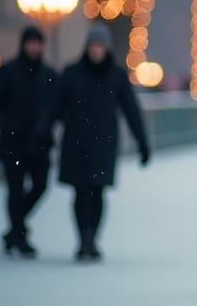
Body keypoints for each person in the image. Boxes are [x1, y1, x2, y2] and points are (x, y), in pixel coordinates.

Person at [40, 27, 150, 261]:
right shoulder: (72, 73)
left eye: (100, 46)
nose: (97, 50)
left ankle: (92, 239)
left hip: (103, 143)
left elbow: (131, 110)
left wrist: (143, 142)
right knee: (81, 192)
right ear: (87, 47)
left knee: (98, 191)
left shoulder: (117, 75)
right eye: (93, 46)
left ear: (107, 48)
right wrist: (44, 131)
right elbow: (54, 106)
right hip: (76, 141)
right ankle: (83, 239)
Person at [0, 26, 58, 256]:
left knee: (40, 186)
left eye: (38, 43)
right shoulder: (8, 72)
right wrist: (6, 125)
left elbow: (56, 106)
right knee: (15, 190)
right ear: (24, 44)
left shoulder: (49, 74)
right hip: (13, 143)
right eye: (31, 43)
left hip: (39, 142)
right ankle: (19, 236)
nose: (35, 47)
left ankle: (14, 230)